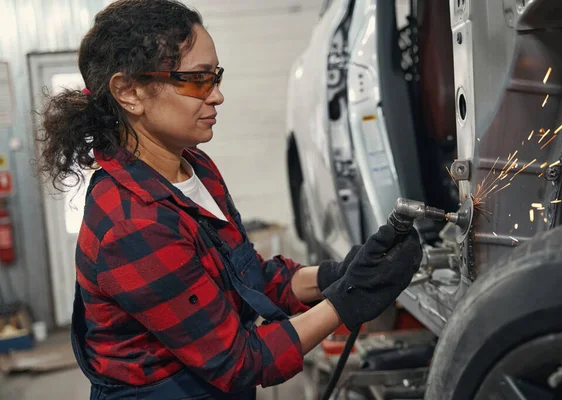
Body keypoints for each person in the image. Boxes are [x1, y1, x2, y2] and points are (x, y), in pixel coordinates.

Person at [38, 1, 423, 399]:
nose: (217, 95)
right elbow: (241, 361)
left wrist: (340, 273)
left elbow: (251, 278)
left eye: (215, 76)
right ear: (129, 92)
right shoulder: (133, 223)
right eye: (197, 80)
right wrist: (349, 301)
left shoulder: (195, 167)